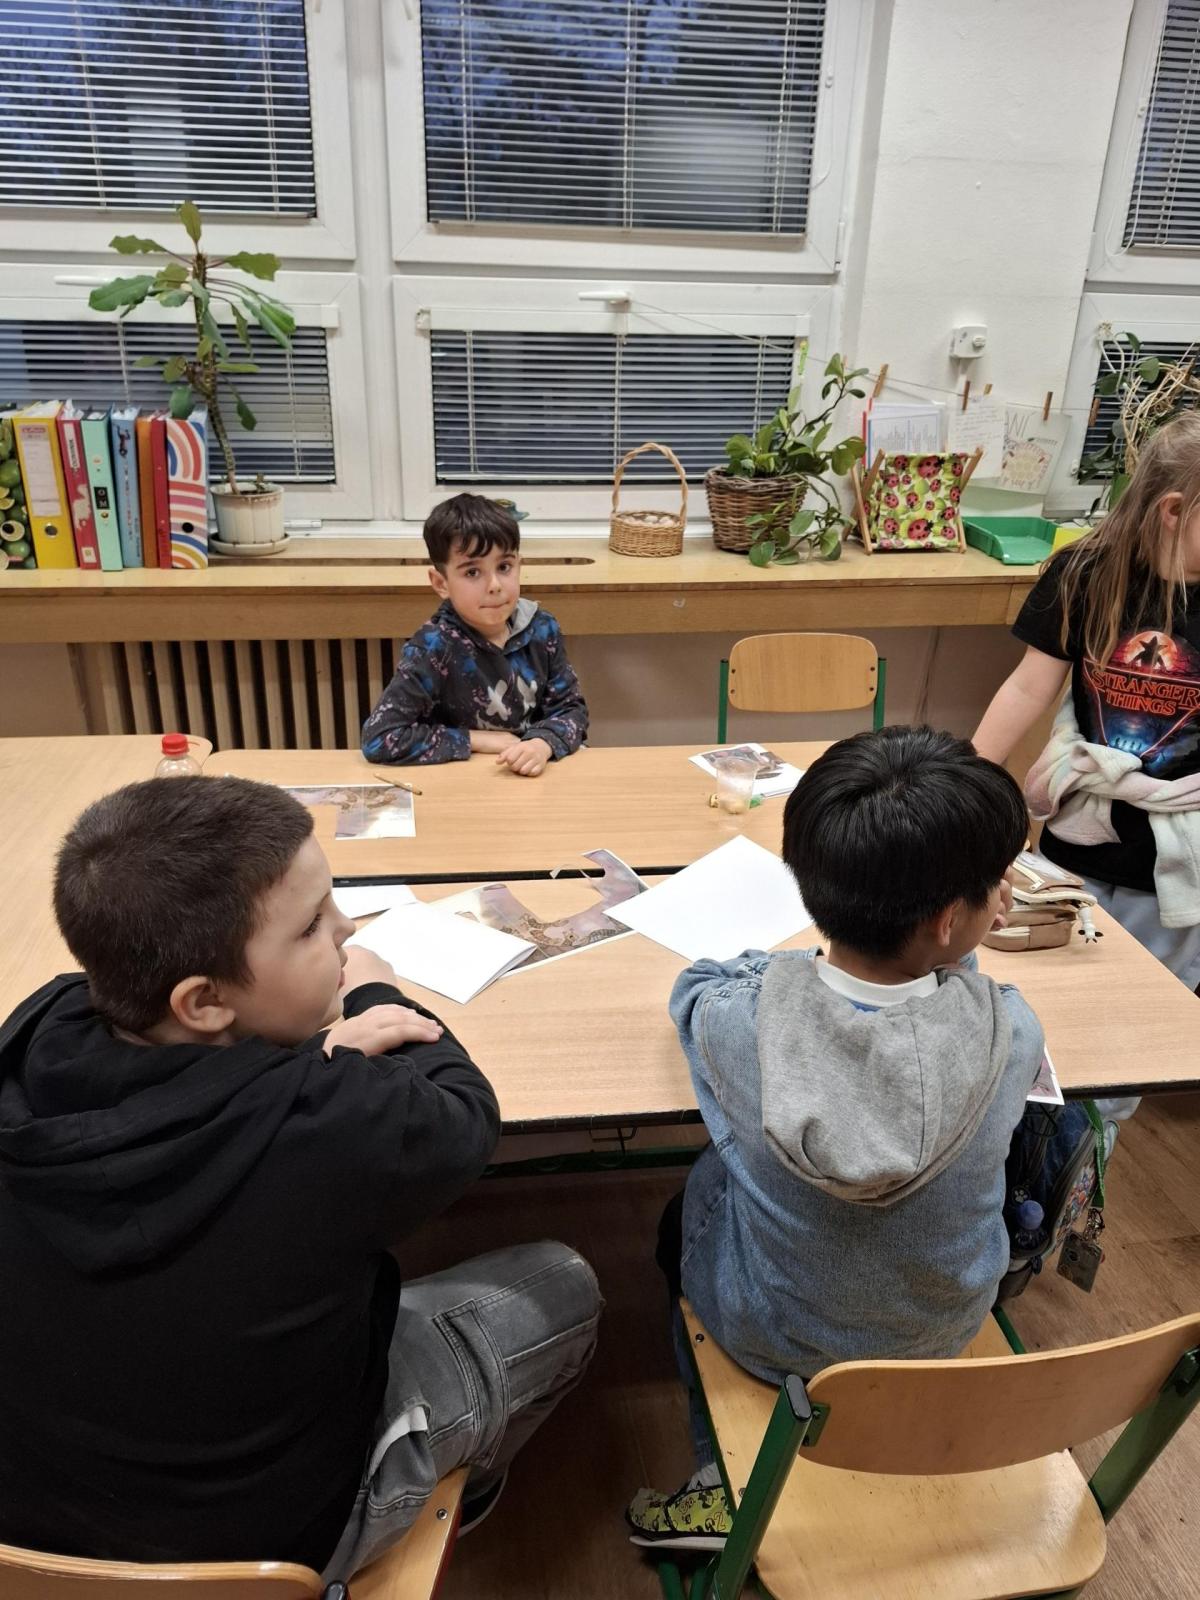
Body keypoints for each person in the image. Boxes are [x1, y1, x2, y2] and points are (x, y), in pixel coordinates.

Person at [0, 777, 601, 1580]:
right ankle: (460, 1488)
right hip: (258, 1554)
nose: (347, 930)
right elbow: (463, 1115)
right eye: (314, 926)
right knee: (563, 1284)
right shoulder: (333, 1126)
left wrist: (307, 1057)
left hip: (32, 1535)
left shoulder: (38, 1031)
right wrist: (372, 989)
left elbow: (192, 1098)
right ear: (203, 1001)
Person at [626, 727, 1042, 1551]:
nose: (1005, 895)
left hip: (774, 1339)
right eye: (998, 883)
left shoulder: (741, 1025)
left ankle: (718, 1472)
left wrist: (791, 968)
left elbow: (696, 985)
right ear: (949, 920)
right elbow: (958, 983)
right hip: (940, 1330)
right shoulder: (1011, 1030)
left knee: (695, 1200)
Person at [973, 412, 1200, 1002]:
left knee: (1151, 1003)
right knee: (1057, 991)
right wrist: (965, 782)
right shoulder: (1084, 574)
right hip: (1078, 835)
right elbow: (1028, 688)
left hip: (1179, 858)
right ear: (1174, 510)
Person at [362, 493, 588, 775]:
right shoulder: (433, 647)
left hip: (536, 775)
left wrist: (542, 744)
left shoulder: (543, 629)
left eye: (504, 567)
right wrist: (476, 740)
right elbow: (380, 738)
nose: (494, 585)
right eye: (472, 572)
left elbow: (571, 710)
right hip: (463, 778)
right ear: (441, 583)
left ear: (519, 566)